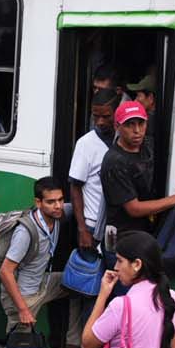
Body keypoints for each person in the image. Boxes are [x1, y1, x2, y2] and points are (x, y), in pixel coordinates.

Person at [0, 176, 74, 348]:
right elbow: (6, 272)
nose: (58, 206)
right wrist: (22, 309)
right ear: (38, 202)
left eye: (61, 200)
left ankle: (74, 341)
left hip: (44, 283)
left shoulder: (58, 216)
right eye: (51, 202)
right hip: (23, 295)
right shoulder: (25, 231)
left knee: (86, 283)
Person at [101, 100, 175, 245]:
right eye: (130, 125)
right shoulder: (114, 161)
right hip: (123, 240)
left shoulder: (148, 146)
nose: (137, 130)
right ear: (117, 126)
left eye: (141, 123)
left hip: (147, 234)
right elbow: (134, 209)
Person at [68, 87, 119, 253]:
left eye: (106, 116)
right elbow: (75, 187)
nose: (100, 122)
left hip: (116, 227)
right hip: (92, 226)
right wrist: (82, 229)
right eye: (95, 116)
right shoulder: (86, 144)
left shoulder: (124, 141)